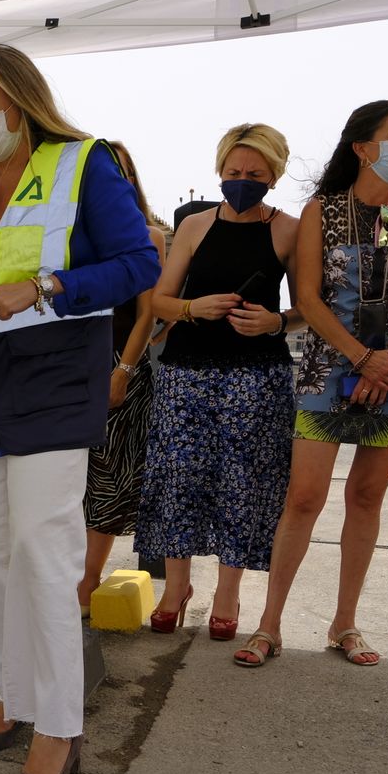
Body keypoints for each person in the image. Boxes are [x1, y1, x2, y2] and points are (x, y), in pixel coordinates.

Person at [0, 44, 158, 774]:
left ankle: (58, 725)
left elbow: (138, 264)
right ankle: (12, 697)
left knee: (43, 550)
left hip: (55, 373)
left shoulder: (85, 162)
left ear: (23, 99)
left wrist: (46, 285)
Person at [236, 101, 388, 668]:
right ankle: (269, 624)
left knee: (367, 497)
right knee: (304, 498)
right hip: (330, 369)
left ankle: (344, 623)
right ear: (362, 147)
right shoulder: (322, 210)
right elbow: (307, 300)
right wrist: (360, 358)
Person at [133, 124, 302, 644]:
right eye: (233, 172)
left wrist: (276, 322)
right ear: (219, 170)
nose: (242, 180)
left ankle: (228, 595)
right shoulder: (193, 225)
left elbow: (311, 307)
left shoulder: (290, 230)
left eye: (254, 173)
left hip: (257, 376)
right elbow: (157, 301)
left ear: (274, 174)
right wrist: (192, 307)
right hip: (187, 370)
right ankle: (176, 589)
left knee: (242, 484)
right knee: (178, 478)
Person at [76, 140, 166, 610]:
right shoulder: (69, 233)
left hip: (120, 368)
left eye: (122, 171)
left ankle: (87, 581)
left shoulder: (149, 237)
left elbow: (148, 314)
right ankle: (66, 574)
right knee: (69, 477)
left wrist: (124, 371)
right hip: (68, 367)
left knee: (111, 479)